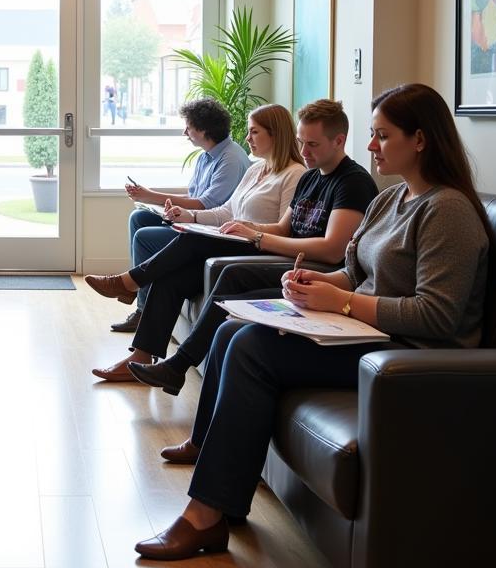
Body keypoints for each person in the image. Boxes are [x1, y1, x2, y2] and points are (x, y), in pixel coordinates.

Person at [134, 83, 490, 561]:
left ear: (420, 140)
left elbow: (437, 314)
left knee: (251, 349)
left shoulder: (447, 210)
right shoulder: (391, 200)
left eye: (382, 136)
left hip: (405, 352)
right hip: (363, 332)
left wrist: (340, 303)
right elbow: (352, 271)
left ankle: (206, 516)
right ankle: (218, 496)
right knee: (231, 329)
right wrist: (311, 286)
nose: (370, 146)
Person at [126, 99, 378, 399]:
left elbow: (332, 250)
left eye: (312, 144)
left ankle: (164, 342)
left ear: (339, 141)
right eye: (301, 143)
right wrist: (248, 229)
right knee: (179, 274)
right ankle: (157, 358)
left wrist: (258, 239)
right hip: (287, 256)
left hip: (315, 269)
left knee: (229, 273)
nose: (305, 152)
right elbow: (283, 227)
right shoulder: (311, 177)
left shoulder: (353, 182)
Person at [87, 103, 305, 381]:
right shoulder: (256, 170)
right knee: (171, 278)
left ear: (276, 135)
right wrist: (189, 215)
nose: (248, 138)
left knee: (191, 240)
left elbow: (284, 231)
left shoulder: (294, 174)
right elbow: (226, 210)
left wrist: (249, 229)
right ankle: (141, 355)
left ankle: (130, 282)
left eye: (254, 132)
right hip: (232, 238)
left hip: (254, 247)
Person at [116, 98, 250, 333]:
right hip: (193, 219)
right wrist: (159, 203)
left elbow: (205, 204)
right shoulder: (205, 157)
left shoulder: (230, 159)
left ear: (203, 129)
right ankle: (136, 294)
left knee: (144, 236)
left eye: (188, 127)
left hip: (209, 230)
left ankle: (142, 308)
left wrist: (150, 195)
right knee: (139, 218)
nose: (184, 132)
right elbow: (193, 195)